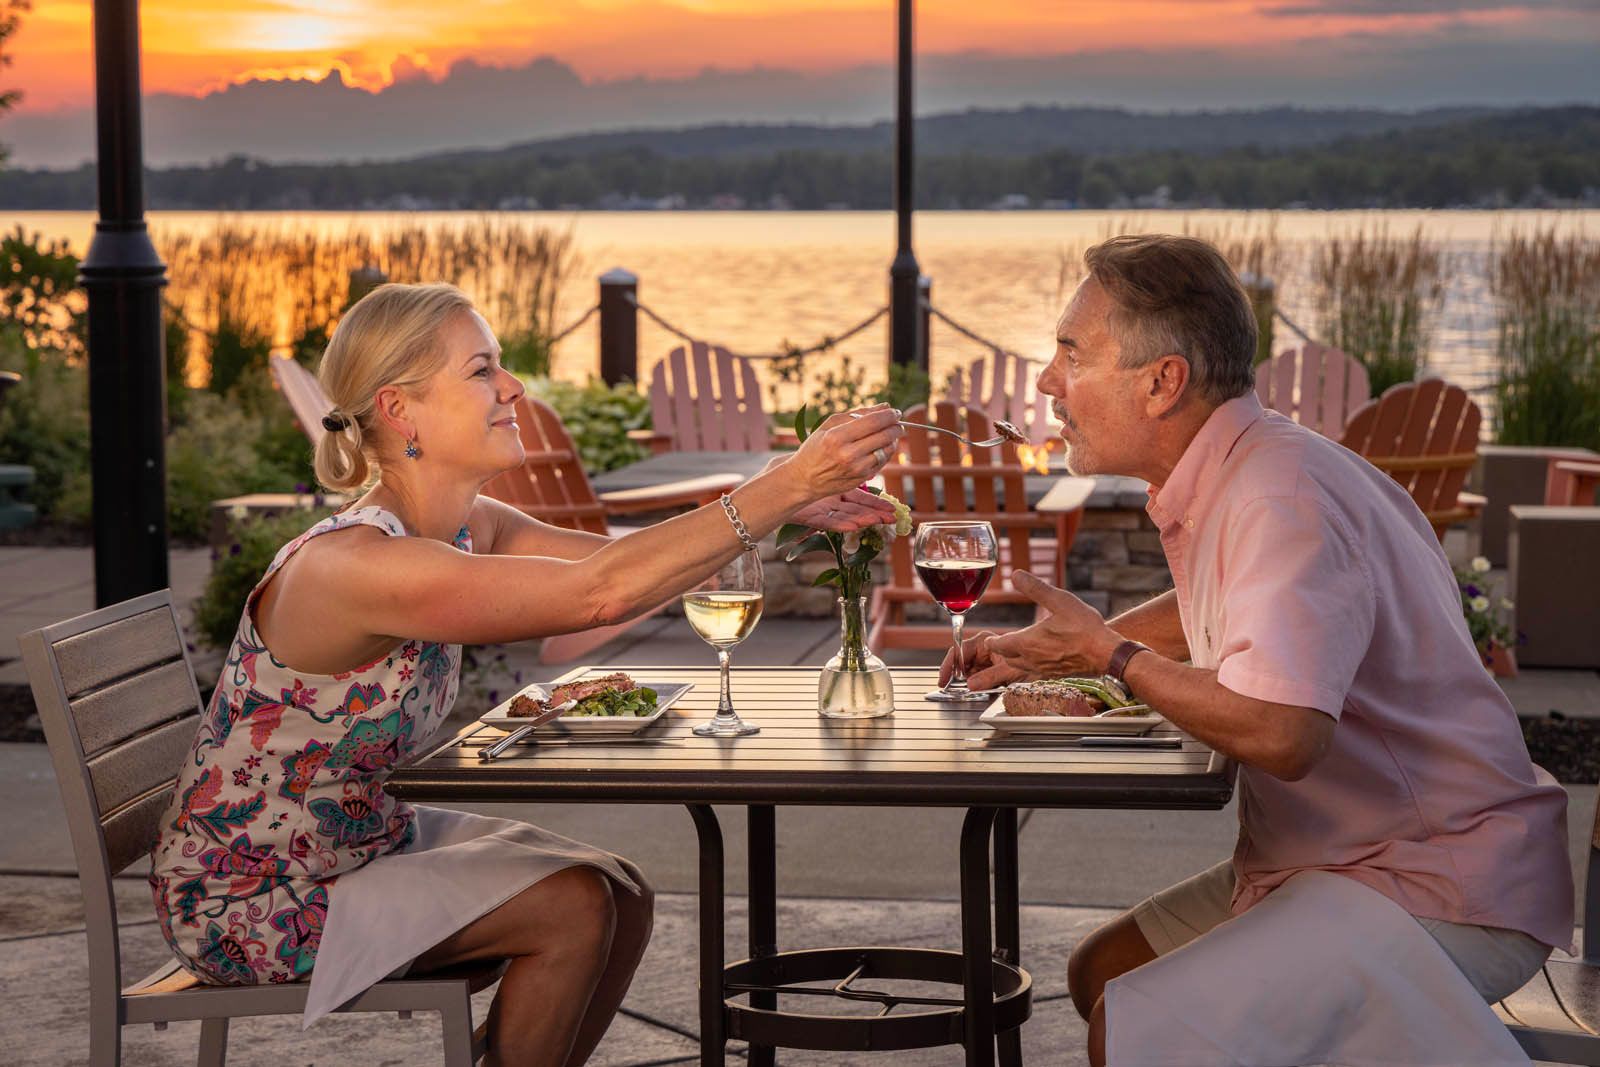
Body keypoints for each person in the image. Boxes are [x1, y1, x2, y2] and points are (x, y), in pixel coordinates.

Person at [151, 282, 905, 1067]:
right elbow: (600, 594)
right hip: (252, 896)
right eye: (482, 370)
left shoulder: (467, 526)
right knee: (572, 907)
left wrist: (787, 503)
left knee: (621, 889)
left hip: (357, 844)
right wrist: (783, 483)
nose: (512, 388)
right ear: (399, 409)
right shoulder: (356, 566)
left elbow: (620, 563)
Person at [943, 235, 1571, 1065]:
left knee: (1130, 1025)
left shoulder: (1279, 498)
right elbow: (1228, 602)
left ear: (1162, 382)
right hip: (1344, 859)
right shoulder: (1252, 464)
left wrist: (1109, 657)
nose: (1047, 380)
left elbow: (1285, 732)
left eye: (1070, 352)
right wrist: (1059, 651)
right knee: (1105, 971)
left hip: (1431, 879)